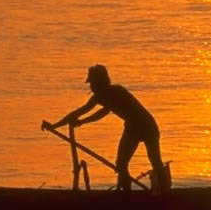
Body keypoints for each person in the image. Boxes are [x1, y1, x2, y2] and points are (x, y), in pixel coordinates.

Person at [44, 64, 166, 192]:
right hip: (136, 125)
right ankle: (126, 192)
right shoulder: (103, 95)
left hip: (144, 125)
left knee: (149, 160)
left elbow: (91, 112)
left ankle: (162, 192)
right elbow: (90, 112)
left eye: (92, 83)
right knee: (123, 163)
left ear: (99, 82)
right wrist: (64, 124)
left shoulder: (115, 92)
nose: (91, 87)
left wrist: (69, 123)